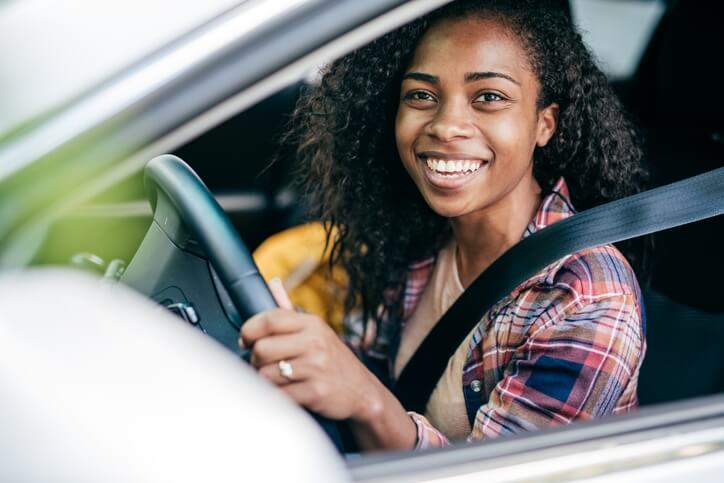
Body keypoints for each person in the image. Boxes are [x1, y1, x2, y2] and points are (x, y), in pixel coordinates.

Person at [239, 0, 647, 451]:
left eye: (489, 97)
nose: (447, 125)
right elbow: (369, 372)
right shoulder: (415, 236)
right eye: (422, 96)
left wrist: (365, 400)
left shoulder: (585, 296)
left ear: (544, 123)